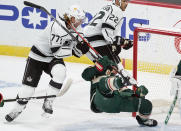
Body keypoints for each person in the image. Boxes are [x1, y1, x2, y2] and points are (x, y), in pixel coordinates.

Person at [5, 5, 89, 122]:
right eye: (79, 19)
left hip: (51, 58)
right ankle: (17, 109)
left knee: (60, 73)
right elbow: (57, 52)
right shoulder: (57, 27)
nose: (81, 22)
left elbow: (78, 50)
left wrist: (82, 49)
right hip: (37, 56)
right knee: (28, 90)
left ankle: (48, 102)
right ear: (71, 18)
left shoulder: (78, 29)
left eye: (82, 20)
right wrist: (74, 51)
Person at [81, 56, 158, 127]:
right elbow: (85, 75)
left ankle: (144, 121)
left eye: (115, 68)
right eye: (113, 67)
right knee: (104, 82)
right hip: (99, 101)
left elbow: (126, 92)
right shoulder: (97, 73)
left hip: (116, 102)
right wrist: (97, 68)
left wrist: (137, 94)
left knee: (146, 104)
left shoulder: (117, 80)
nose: (115, 70)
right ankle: (117, 83)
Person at [83, 0, 136, 85]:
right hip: (97, 40)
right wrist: (118, 41)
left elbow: (109, 32)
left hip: (88, 39)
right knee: (112, 64)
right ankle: (124, 76)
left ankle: (107, 77)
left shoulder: (108, 7)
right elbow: (106, 29)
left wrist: (121, 42)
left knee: (113, 54)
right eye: (124, 1)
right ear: (118, 1)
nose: (126, 4)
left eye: (127, 1)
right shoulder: (117, 10)